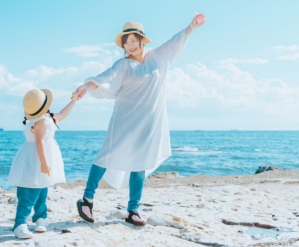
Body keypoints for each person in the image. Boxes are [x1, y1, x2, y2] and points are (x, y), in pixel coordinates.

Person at [73, 15, 204, 227]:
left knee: (140, 164)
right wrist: (85, 87)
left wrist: (192, 26)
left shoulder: (157, 58)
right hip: (124, 121)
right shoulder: (123, 65)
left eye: (134, 40)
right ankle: (86, 200)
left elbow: (176, 41)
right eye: (127, 42)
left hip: (148, 122)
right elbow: (104, 78)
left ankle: (133, 210)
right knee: (106, 156)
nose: (130, 45)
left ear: (142, 40)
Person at [8, 88, 77, 239]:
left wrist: (74, 100)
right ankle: (20, 223)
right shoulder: (38, 122)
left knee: (42, 187)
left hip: (41, 155)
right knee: (29, 189)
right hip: (35, 157)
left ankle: (41, 218)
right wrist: (44, 162)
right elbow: (39, 142)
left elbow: (62, 114)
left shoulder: (47, 118)